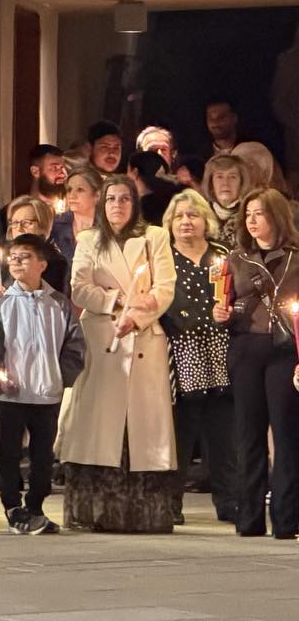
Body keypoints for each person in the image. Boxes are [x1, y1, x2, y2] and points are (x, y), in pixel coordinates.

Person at [60, 175, 177, 532]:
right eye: (111, 199)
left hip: (143, 337)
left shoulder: (154, 237)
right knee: (99, 427)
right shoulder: (89, 239)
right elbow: (80, 288)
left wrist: (136, 317)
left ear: (134, 203)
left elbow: (165, 288)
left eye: (125, 199)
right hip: (101, 338)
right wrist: (117, 302)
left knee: (142, 428)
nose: (117, 206)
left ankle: (144, 515)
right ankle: (95, 512)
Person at [0, 233, 86, 535]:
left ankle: (36, 505)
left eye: (24, 257)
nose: (16, 262)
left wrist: (61, 377)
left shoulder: (58, 303)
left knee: (42, 456)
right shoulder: (5, 303)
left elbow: (75, 345)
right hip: (12, 394)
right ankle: (12, 505)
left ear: (42, 264)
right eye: (12, 257)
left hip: (46, 393)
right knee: (9, 453)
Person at [216, 187, 299, 538]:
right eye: (247, 214)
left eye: (259, 213)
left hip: (284, 350)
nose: (251, 220)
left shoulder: (295, 259)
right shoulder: (236, 259)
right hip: (246, 348)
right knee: (248, 434)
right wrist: (220, 313)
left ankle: (286, 519)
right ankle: (248, 518)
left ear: (276, 216)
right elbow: (225, 301)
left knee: (286, 434)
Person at [160, 189, 236, 525]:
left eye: (193, 215)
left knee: (223, 432)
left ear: (206, 220)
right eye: (179, 216)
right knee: (181, 432)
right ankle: (171, 503)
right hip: (181, 349)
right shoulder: (163, 257)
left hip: (220, 349)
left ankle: (229, 501)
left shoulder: (223, 255)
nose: (186, 222)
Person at [53, 165, 101, 261]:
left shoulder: (108, 227)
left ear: (97, 195)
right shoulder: (56, 225)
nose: (72, 195)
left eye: (80, 190)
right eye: (69, 190)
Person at [204, 153, 250, 233]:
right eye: (219, 177)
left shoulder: (248, 214)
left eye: (232, 177)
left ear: (241, 183)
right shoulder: (201, 213)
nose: (225, 183)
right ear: (211, 184)